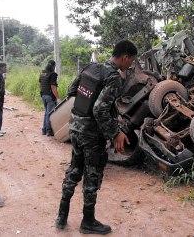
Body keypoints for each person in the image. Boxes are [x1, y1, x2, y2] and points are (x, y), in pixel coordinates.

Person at [55, 40, 137, 235]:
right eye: (131, 61)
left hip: (75, 127)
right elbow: (100, 109)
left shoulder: (91, 67)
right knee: (92, 174)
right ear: (125, 57)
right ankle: (88, 221)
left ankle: (61, 216)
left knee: (74, 169)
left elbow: (71, 90)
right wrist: (115, 133)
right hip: (92, 134)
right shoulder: (113, 77)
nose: (131, 65)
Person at [39, 60, 59, 136]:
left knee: (46, 113)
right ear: (54, 66)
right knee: (50, 114)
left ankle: (44, 130)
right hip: (50, 97)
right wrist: (58, 98)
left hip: (43, 95)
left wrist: (42, 94)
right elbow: (53, 87)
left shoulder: (42, 73)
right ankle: (49, 131)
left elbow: (40, 85)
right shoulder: (53, 74)